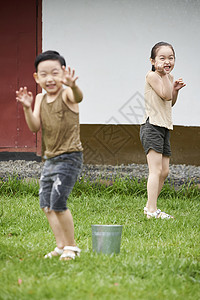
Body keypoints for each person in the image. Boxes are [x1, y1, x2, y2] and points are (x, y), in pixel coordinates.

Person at [16, 50, 83, 260]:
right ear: (36, 77)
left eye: (55, 72)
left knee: (58, 203)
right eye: (43, 74)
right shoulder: (39, 98)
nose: (50, 78)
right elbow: (34, 127)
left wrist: (72, 84)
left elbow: (78, 96)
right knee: (46, 204)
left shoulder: (67, 94)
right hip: (50, 158)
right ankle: (61, 245)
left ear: (63, 73)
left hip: (70, 157)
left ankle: (72, 246)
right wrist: (27, 109)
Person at [140, 42, 186, 219]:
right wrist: (167, 78)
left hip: (164, 126)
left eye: (171, 57)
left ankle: (150, 207)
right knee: (156, 170)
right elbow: (164, 94)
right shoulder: (152, 75)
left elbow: (169, 100)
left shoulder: (168, 77)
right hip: (151, 126)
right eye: (162, 58)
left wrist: (175, 90)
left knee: (164, 171)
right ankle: (151, 211)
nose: (167, 61)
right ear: (152, 61)